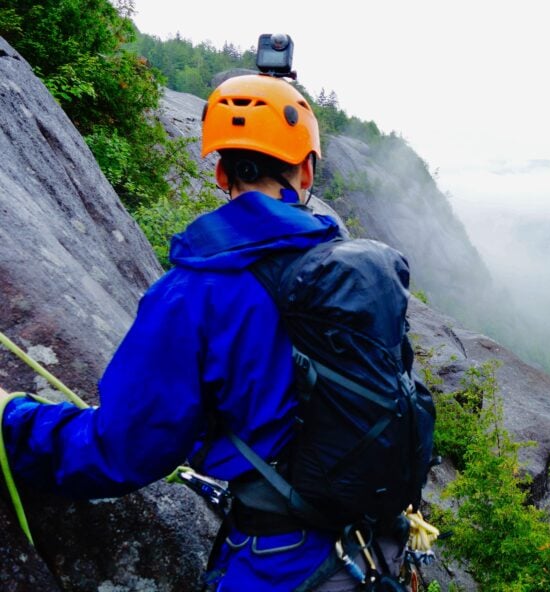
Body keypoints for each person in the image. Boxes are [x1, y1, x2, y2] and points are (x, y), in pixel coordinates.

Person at [0, 73, 406, 591]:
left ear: (220, 172)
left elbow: (123, 450)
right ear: (306, 171)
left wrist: (13, 419)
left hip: (276, 566)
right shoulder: (355, 281)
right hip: (372, 551)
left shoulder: (192, 292)